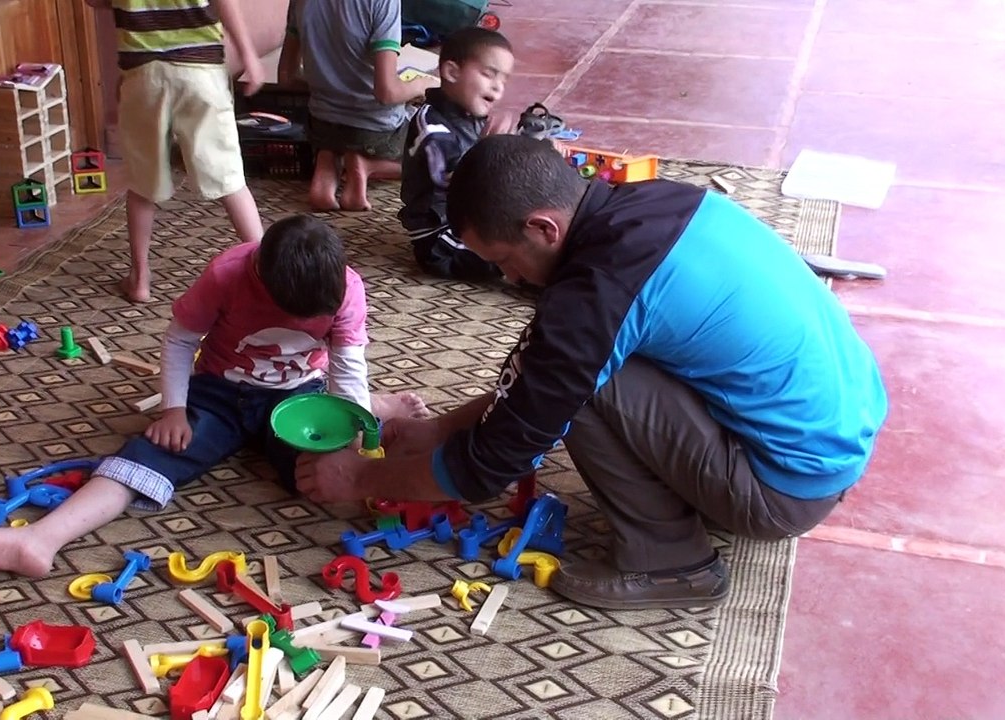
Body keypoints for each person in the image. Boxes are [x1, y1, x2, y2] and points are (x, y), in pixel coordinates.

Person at [295, 135, 889, 610]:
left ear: (543, 228)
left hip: (785, 487)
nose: (510, 280)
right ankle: (691, 507)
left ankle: (672, 562)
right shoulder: (647, 203)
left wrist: (358, 481)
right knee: (588, 364)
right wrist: (441, 427)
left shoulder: (596, 294)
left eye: (505, 261)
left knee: (589, 390)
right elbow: (542, 363)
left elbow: (489, 469)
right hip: (834, 434)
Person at [0, 215, 429, 577]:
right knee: (147, 455)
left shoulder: (348, 290)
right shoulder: (229, 272)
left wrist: (351, 432)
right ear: (261, 274)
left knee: (316, 482)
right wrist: (174, 409)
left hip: (300, 395)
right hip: (221, 392)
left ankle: (374, 406)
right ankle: (39, 538)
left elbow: (347, 364)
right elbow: (180, 340)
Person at [87, 0, 267, 303]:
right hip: (200, 71)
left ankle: (140, 279)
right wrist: (248, 54)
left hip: (143, 75)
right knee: (229, 178)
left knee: (143, 184)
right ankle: (267, 272)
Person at [279, 0, 439, 212]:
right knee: (442, 156)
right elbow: (387, 93)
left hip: (321, 124)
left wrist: (332, 84)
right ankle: (365, 166)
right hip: (376, 130)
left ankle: (328, 163)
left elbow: (286, 77)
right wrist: (422, 84)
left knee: (335, 137)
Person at [398, 27, 513, 282]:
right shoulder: (431, 128)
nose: (498, 87)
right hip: (441, 235)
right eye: (488, 74)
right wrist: (488, 149)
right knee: (509, 260)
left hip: (473, 219)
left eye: (504, 79)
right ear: (451, 72)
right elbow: (456, 182)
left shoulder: (469, 114)